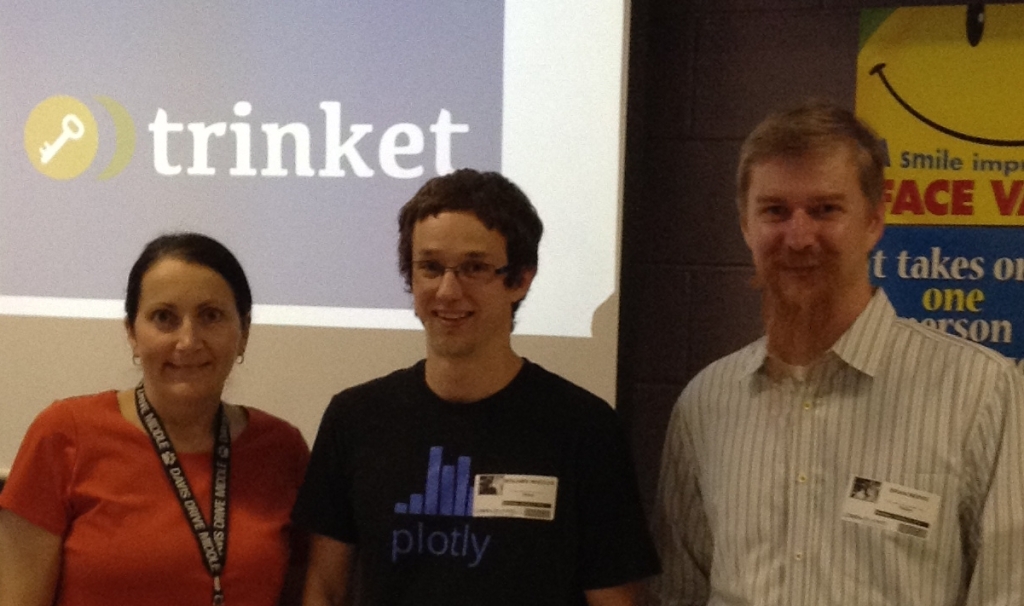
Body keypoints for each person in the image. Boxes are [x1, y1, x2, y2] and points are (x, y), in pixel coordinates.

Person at [652, 99, 1024, 605]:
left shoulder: (979, 391)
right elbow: (683, 594)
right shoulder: (706, 404)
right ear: (745, 225)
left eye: (826, 209)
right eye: (775, 211)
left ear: (873, 222)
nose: (799, 236)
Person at [293, 168, 660, 606]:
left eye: (474, 268)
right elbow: (324, 589)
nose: (448, 291)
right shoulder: (354, 419)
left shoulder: (585, 429)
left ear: (521, 279)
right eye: (430, 267)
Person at [0, 233, 310, 606]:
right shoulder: (65, 433)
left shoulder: (281, 449)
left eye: (210, 316)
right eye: (165, 317)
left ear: (242, 332)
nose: (188, 341)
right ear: (132, 332)